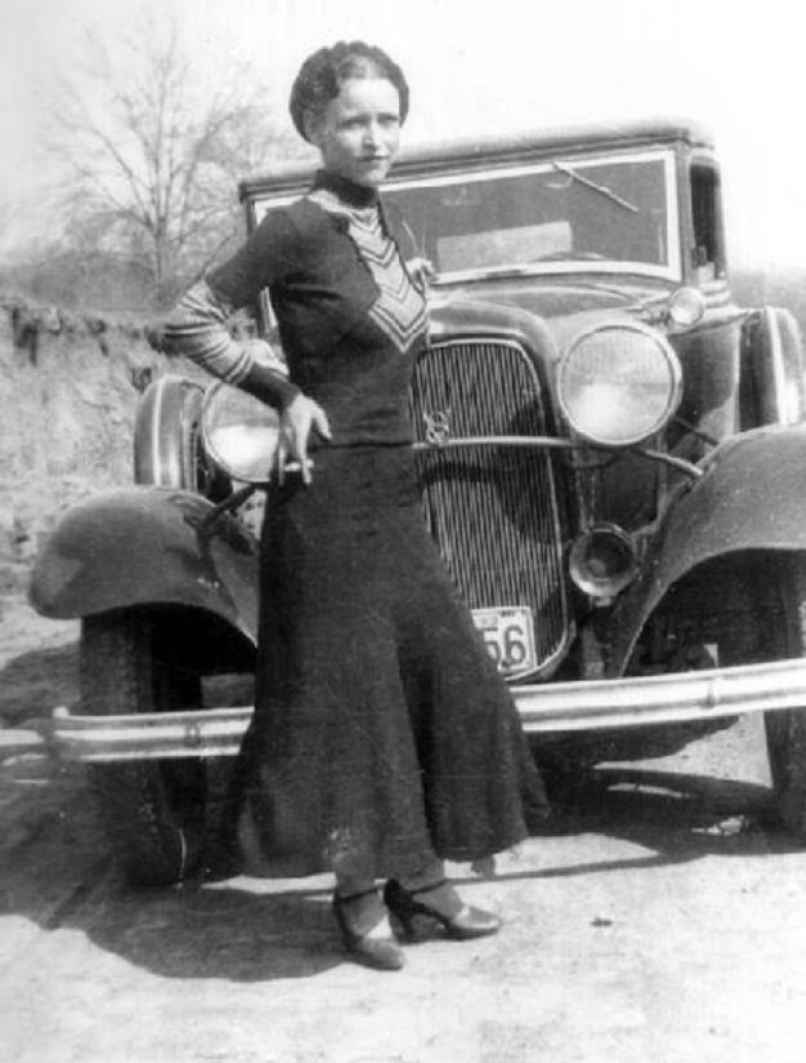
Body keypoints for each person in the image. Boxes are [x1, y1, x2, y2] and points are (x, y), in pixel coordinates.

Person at [164, 40, 547, 971]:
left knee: (444, 675)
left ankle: (419, 878)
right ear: (313, 128)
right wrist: (281, 392)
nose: (373, 137)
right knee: (347, 702)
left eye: (386, 119)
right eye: (352, 122)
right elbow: (187, 317)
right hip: (325, 499)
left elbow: (384, 348)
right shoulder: (297, 227)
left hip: (395, 488)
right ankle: (358, 890)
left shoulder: (390, 222)